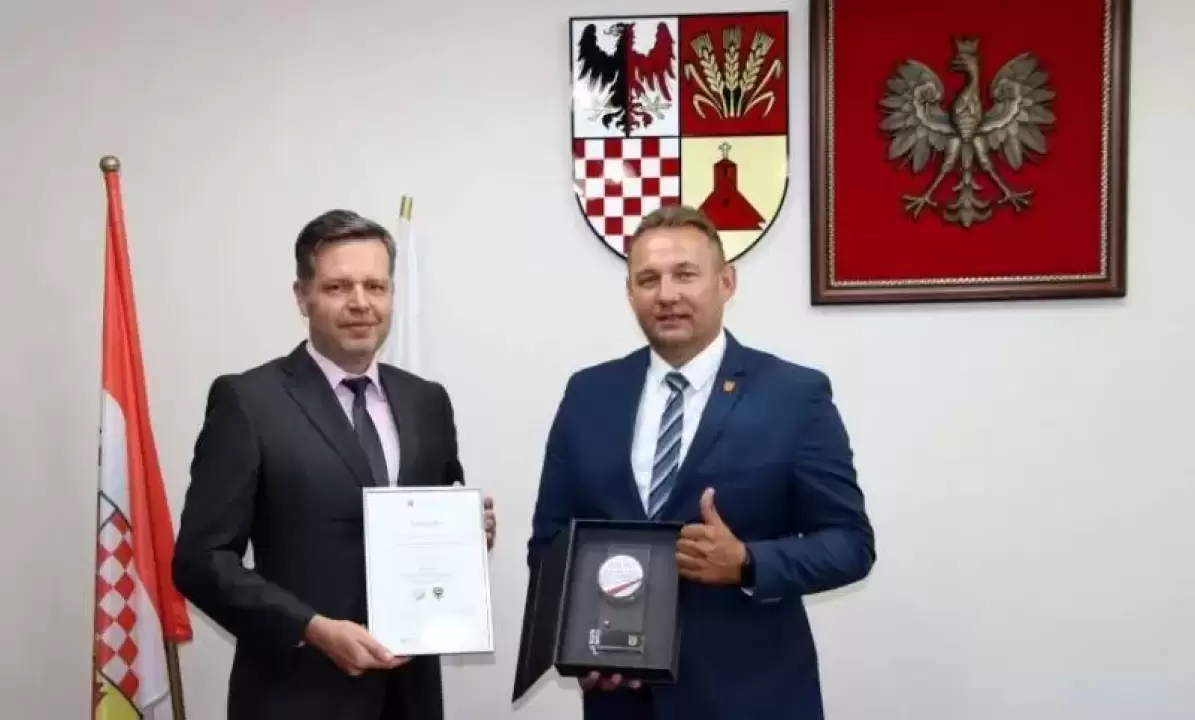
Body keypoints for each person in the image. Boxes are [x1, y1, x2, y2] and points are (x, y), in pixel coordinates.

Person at [526, 205, 875, 720]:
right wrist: (576, 643)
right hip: (620, 701)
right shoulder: (588, 393)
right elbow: (550, 542)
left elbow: (850, 544)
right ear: (629, 292)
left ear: (726, 282)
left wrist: (748, 562)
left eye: (685, 274)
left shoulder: (794, 395)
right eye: (648, 279)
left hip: (752, 698)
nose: (667, 294)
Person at [172, 209, 496, 720]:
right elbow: (201, 561)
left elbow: (429, 524)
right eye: (338, 286)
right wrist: (310, 627)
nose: (360, 303)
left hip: (409, 698)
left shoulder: (427, 402)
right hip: (296, 695)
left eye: (375, 286)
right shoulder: (248, 402)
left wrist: (467, 533)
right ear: (302, 296)